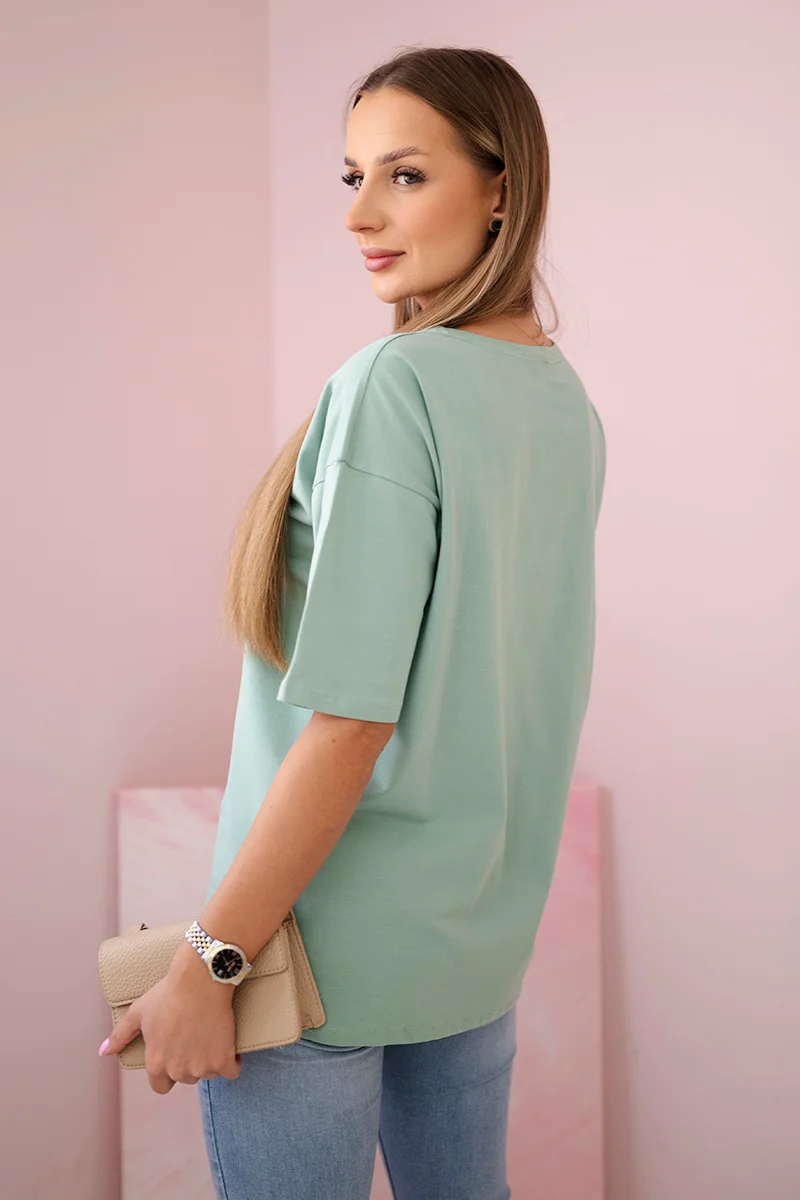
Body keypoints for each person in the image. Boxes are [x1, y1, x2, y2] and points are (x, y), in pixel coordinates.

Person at [101, 44, 606, 1200]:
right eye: (352, 176)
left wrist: (208, 962)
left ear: (499, 189)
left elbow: (349, 724)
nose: (360, 214)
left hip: (315, 960)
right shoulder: (558, 398)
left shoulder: (395, 385)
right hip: (471, 946)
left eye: (405, 175)